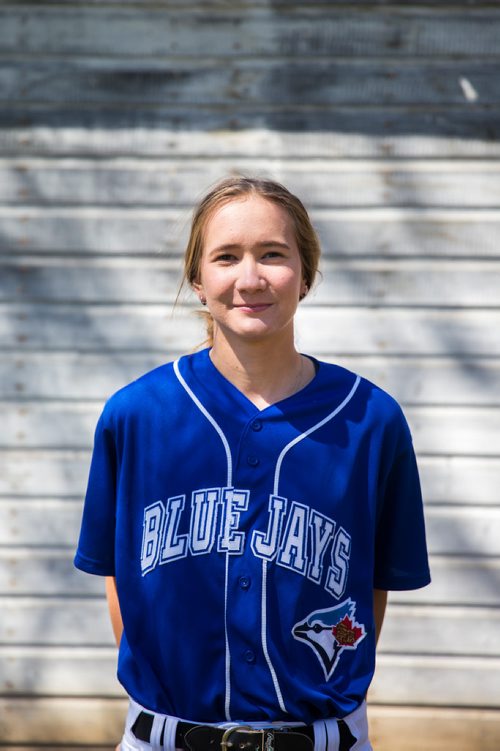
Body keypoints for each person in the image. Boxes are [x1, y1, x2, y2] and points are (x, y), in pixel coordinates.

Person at [74, 176, 431, 751]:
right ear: (197, 279)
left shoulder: (370, 420)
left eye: (273, 254)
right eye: (225, 257)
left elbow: (372, 590)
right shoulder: (138, 415)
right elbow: (119, 579)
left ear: (306, 274)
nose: (249, 278)